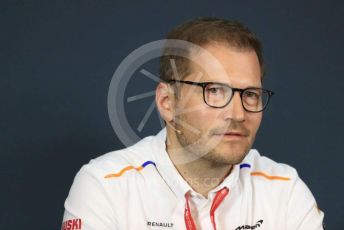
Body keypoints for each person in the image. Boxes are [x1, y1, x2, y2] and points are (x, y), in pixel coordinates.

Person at [62, 17, 325, 230]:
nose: (237, 113)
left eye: (250, 94)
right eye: (214, 91)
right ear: (167, 102)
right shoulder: (105, 186)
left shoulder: (284, 188)